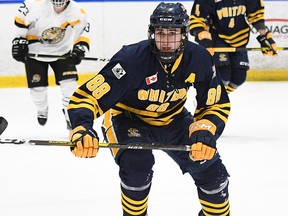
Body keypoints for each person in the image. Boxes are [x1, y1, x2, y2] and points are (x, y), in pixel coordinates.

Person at [68, 2, 231, 216]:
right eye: (160, 32)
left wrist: (204, 129)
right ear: (151, 33)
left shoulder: (198, 58)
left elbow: (215, 103)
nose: (165, 40)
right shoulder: (131, 59)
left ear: (184, 34)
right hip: (128, 119)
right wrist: (82, 128)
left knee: (213, 173)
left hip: (173, 119)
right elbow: (88, 96)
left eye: (172, 33)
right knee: (137, 166)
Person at [11, 0, 90, 129]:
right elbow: (20, 21)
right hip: (34, 53)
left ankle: (70, 116)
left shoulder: (77, 12)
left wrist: (80, 48)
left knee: (70, 87)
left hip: (63, 53)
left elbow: (83, 33)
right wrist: (18, 40)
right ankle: (42, 108)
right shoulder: (33, 4)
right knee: (38, 91)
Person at [189, 0, 277, 93]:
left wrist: (264, 37)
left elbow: (255, 15)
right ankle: (212, 100)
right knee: (223, 76)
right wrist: (203, 38)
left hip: (240, 38)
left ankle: (214, 98)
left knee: (239, 78)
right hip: (217, 37)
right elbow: (197, 19)